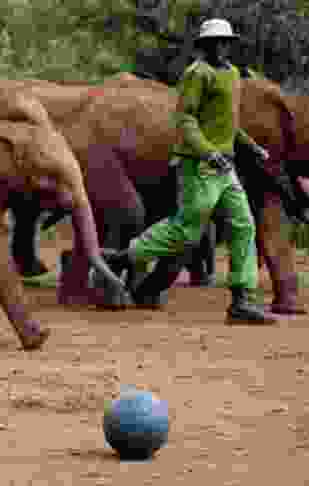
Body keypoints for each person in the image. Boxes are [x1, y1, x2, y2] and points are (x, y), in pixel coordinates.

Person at [103, 18, 276, 325]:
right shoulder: (197, 74)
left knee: (243, 226)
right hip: (198, 166)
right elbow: (186, 120)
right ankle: (120, 258)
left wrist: (251, 147)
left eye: (225, 41)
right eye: (215, 42)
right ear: (204, 45)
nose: (221, 46)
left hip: (226, 166)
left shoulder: (233, 74)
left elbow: (227, 122)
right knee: (186, 231)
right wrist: (208, 152)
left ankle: (241, 300)